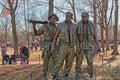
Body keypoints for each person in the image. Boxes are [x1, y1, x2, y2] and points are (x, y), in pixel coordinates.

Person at [32, 13, 59, 80]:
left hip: (55, 46)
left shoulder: (58, 27)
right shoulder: (45, 26)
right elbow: (36, 33)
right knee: (45, 62)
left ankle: (55, 75)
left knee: (56, 61)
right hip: (46, 46)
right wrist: (34, 26)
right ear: (49, 19)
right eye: (52, 18)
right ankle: (44, 76)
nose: (53, 19)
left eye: (55, 19)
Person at [51, 12, 77, 80]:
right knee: (59, 60)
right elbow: (55, 37)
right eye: (66, 16)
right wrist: (53, 45)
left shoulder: (75, 26)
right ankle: (54, 74)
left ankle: (66, 75)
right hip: (63, 45)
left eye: (68, 16)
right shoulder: (60, 25)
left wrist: (78, 46)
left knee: (70, 61)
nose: (67, 17)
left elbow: (77, 37)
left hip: (71, 46)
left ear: (71, 17)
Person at [75, 12, 101, 79]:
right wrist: (77, 45)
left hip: (89, 46)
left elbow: (95, 36)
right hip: (80, 46)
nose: (83, 17)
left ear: (88, 17)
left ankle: (91, 74)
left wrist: (98, 46)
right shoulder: (77, 24)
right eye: (82, 16)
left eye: (84, 16)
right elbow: (76, 36)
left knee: (90, 61)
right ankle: (77, 74)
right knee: (78, 61)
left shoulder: (92, 25)